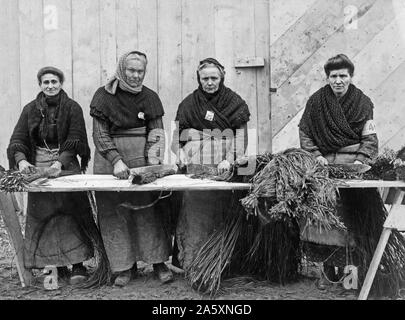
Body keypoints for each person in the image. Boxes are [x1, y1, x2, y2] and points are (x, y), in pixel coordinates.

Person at [90, 51, 173, 287]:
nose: (136, 76)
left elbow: (156, 133)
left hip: (142, 159)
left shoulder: (150, 97)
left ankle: (158, 263)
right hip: (109, 162)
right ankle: (124, 267)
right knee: (115, 214)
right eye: (131, 71)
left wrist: (153, 165)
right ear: (121, 69)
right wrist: (116, 159)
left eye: (140, 71)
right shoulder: (103, 96)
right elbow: (99, 133)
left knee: (149, 210)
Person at [7, 66, 94, 285]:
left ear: (61, 83)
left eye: (54, 82)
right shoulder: (30, 110)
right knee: (44, 214)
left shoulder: (73, 108)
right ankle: (53, 265)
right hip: (39, 167)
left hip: (66, 165)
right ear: (40, 85)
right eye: (46, 82)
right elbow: (17, 139)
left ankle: (77, 264)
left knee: (72, 212)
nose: (50, 86)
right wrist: (22, 160)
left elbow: (75, 139)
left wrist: (59, 162)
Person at [298, 54, 378, 288]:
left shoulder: (363, 102)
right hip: (324, 168)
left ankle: (351, 279)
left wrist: (360, 161)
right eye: (333, 76)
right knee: (324, 222)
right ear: (327, 78)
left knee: (353, 224)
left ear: (351, 77)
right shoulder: (316, 101)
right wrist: (316, 155)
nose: (338, 80)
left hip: (352, 168)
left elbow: (370, 138)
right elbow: (305, 131)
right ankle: (327, 273)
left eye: (343, 75)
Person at [171, 58, 250, 270]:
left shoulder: (235, 103)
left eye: (214, 78)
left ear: (222, 77)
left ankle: (221, 262)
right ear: (199, 78)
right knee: (194, 212)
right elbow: (176, 138)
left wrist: (229, 159)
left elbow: (241, 138)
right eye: (205, 78)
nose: (209, 82)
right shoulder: (188, 104)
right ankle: (189, 261)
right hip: (195, 170)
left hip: (224, 167)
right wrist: (180, 153)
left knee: (222, 211)